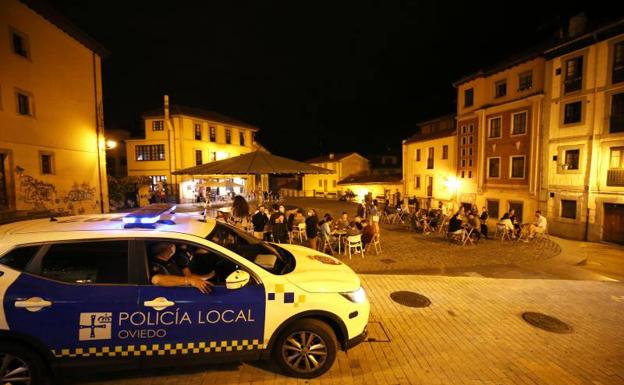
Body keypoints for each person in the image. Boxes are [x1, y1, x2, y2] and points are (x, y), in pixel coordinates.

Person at [149, 242, 214, 293]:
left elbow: (186, 276)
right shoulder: (157, 264)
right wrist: (191, 281)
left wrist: (202, 279)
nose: (173, 247)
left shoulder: (171, 260)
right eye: (171, 245)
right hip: (172, 296)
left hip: (182, 291)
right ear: (167, 249)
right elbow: (156, 279)